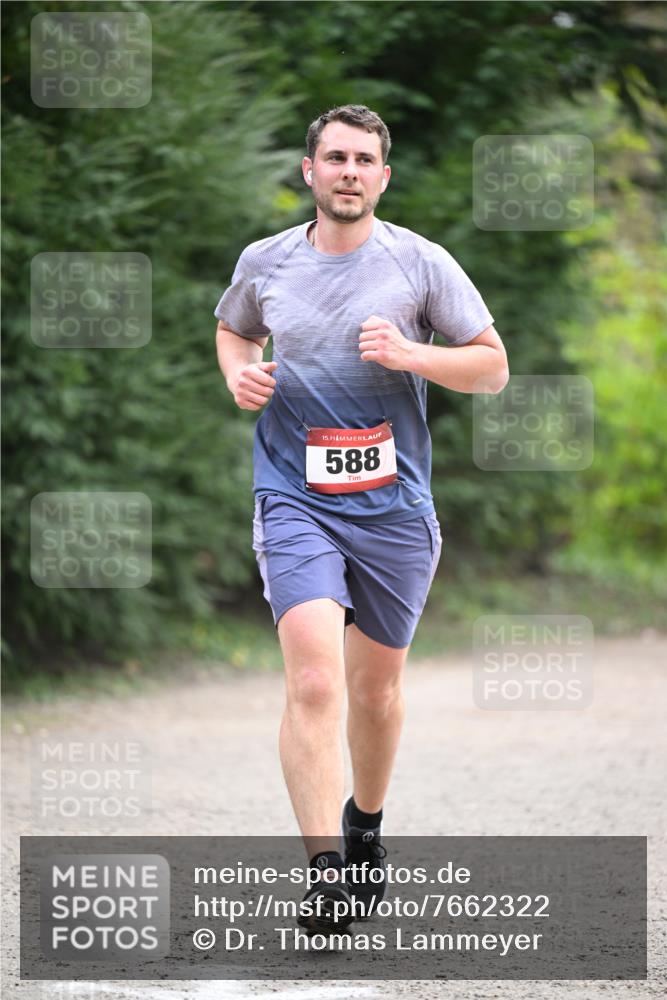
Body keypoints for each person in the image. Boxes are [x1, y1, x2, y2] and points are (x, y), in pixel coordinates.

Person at [214, 104, 508, 933]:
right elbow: (233, 331)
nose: (349, 171)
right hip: (293, 493)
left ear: (383, 176)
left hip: (392, 507)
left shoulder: (420, 264)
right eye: (334, 157)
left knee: (374, 692)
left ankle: (365, 828)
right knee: (313, 678)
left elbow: (491, 369)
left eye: (364, 160)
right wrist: (239, 376)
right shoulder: (264, 261)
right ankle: (325, 873)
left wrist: (412, 354)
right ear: (308, 171)